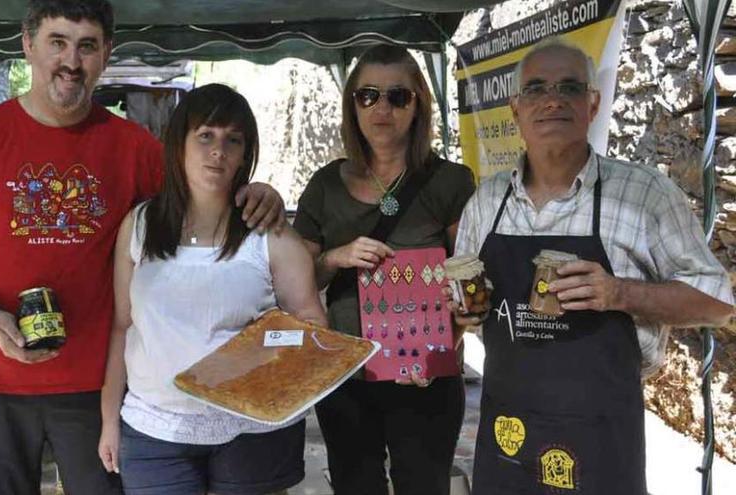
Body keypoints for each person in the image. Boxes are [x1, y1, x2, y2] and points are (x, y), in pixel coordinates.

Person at [0, 1, 284, 494]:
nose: (71, 61)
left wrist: (258, 192)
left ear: (106, 55)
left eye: (87, 46)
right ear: (28, 45)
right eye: (57, 42)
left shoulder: (134, 148)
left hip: (93, 384)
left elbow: (202, 199)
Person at [453, 37, 734, 494]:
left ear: (593, 103)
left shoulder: (644, 194)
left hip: (601, 437)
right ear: (515, 109)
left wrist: (621, 293)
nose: (552, 100)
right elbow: (464, 306)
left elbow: (718, 304)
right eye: (537, 89)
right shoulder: (487, 203)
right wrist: (462, 312)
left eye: (569, 88)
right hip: (509, 435)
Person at [97, 83, 327, 495]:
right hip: (155, 426)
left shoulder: (269, 234)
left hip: (253, 432)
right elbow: (121, 326)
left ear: (245, 154)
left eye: (232, 139)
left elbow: (311, 327)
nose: (218, 150)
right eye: (205, 135)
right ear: (179, 143)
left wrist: (261, 360)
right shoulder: (140, 225)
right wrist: (109, 420)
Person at [293, 44, 475, 495]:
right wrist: (335, 257)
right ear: (352, 103)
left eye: (398, 97)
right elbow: (298, 283)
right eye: (368, 95)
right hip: (347, 375)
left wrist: (444, 347)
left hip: (425, 375)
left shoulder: (450, 182)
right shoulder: (324, 185)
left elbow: (467, 280)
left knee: (423, 486)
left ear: (418, 105)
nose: (382, 108)